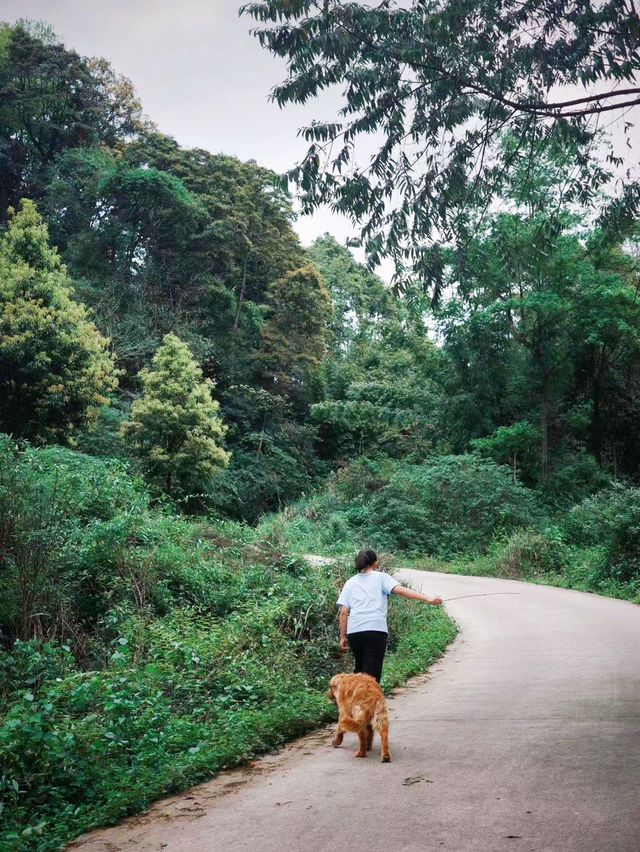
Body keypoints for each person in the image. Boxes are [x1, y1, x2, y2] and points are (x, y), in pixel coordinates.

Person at [336, 548, 442, 683]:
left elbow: (344, 612)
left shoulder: (350, 582)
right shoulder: (381, 577)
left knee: (360, 671)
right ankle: (368, 702)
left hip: (354, 632)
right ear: (376, 563)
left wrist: (343, 636)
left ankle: (357, 701)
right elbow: (401, 591)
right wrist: (427, 598)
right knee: (371, 675)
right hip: (375, 630)